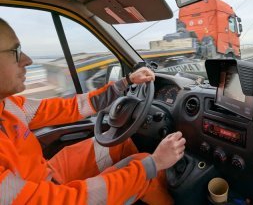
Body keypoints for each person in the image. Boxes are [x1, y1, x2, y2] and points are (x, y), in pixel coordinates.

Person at [0, 17, 186, 204]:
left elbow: (72, 107)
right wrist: (154, 164)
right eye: (15, 51)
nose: (27, 60)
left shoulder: (9, 105)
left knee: (120, 144)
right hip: (50, 195)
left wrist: (126, 82)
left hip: (46, 174)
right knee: (146, 171)